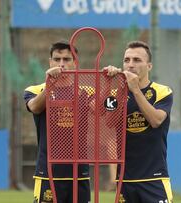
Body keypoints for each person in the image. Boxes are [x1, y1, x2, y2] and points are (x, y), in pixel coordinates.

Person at [24, 40, 120, 203]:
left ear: (75, 63)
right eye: (57, 59)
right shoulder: (35, 90)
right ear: (50, 62)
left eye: (67, 59)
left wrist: (109, 82)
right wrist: (50, 84)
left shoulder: (85, 91)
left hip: (79, 172)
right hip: (48, 172)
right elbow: (35, 107)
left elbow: (100, 110)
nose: (62, 64)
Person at [105, 41, 174, 203]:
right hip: (125, 179)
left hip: (154, 178)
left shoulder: (162, 91)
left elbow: (156, 120)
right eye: (126, 60)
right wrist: (112, 86)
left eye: (137, 60)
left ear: (149, 66)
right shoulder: (118, 93)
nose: (130, 65)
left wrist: (135, 89)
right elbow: (109, 122)